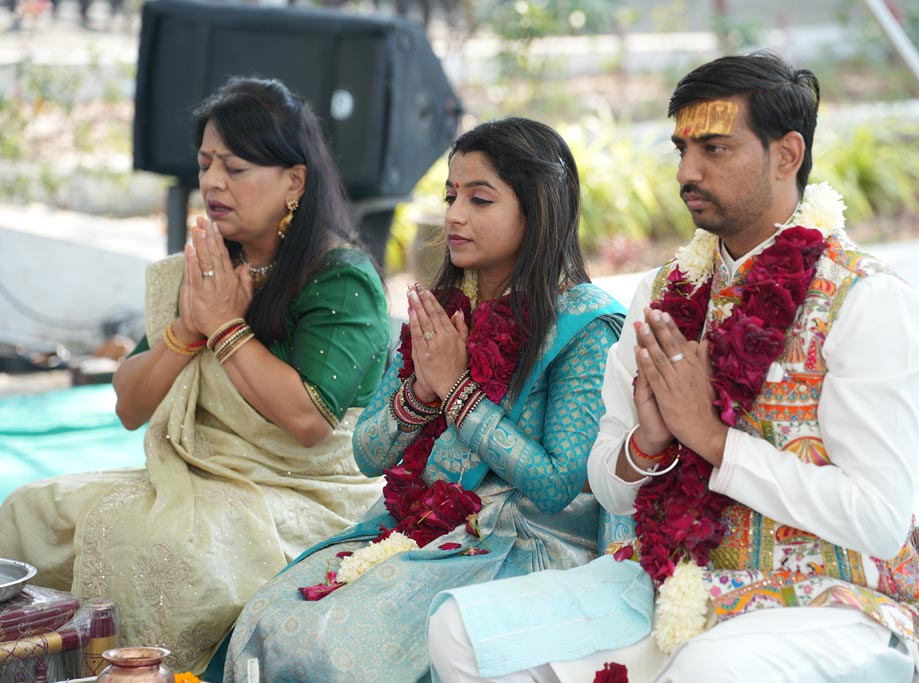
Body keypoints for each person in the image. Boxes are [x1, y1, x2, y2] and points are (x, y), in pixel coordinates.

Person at [427, 51, 919, 683]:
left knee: (708, 670)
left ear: (787, 155)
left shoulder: (866, 300)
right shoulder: (663, 292)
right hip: (667, 579)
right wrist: (648, 443)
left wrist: (715, 442)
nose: (687, 172)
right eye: (681, 150)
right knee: (460, 632)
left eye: (715, 149)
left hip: (830, 599)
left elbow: (877, 517)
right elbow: (608, 483)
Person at [0, 77, 391, 673]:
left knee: (168, 548)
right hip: (197, 472)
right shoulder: (203, 268)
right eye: (206, 163)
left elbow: (308, 420)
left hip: (305, 492)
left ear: (295, 180)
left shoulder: (339, 279)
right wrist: (187, 330)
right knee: (31, 509)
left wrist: (227, 328)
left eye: (234, 167)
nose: (211, 181)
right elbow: (129, 407)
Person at [215, 117, 627, 683]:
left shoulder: (583, 328)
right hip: (420, 523)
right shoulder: (440, 310)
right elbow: (367, 454)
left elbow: (557, 484)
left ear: (537, 210)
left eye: (480, 199)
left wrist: (459, 395)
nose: (454, 214)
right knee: (272, 616)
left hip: (519, 544)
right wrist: (422, 392)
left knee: (341, 649)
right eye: (451, 195)